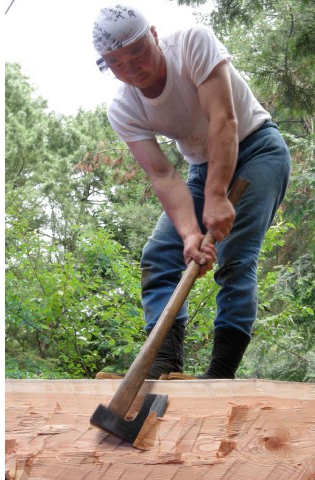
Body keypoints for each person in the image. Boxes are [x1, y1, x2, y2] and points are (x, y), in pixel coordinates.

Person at [92, 4, 291, 379]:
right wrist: (188, 234)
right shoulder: (123, 107)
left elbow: (224, 119)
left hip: (256, 149)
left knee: (233, 257)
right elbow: (163, 174)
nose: (131, 67)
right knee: (160, 254)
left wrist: (217, 196)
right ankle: (163, 367)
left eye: (137, 51)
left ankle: (219, 375)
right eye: (117, 62)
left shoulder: (192, 45)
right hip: (201, 165)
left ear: (153, 35)